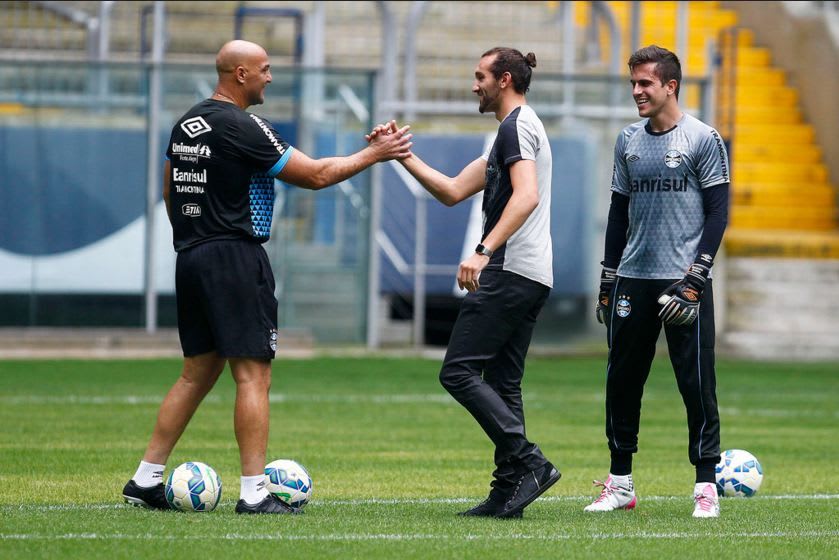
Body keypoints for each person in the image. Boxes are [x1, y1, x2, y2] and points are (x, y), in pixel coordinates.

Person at [122, 40, 412, 514]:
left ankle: (147, 478)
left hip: (191, 255)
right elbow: (315, 175)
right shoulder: (244, 126)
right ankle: (256, 493)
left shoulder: (186, 124)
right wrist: (375, 154)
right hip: (235, 256)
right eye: (264, 69)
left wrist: (194, 237)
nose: (270, 78)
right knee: (254, 375)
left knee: (196, 373)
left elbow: (169, 185)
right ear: (240, 74)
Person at [368, 47, 558, 519]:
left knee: (457, 371)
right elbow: (452, 190)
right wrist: (399, 154)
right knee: (503, 383)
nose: (473, 85)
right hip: (531, 273)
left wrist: (482, 249)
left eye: (480, 76)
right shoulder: (508, 134)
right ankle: (509, 490)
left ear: (505, 79)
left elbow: (527, 196)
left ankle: (529, 461)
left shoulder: (516, 128)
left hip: (511, 269)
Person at [586, 45, 730, 518]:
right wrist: (608, 277)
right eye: (633, 83)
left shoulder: (703, 139)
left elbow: (717, 212)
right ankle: (620, 482)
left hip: (683, 283)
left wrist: (697, 277)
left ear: (670, 86)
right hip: (634, 279)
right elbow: (617, 212)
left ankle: (706, 485)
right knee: (623, 381)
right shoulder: (627, 139)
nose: (636, 91)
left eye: (645, 83)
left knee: (696, 383)